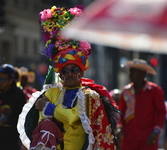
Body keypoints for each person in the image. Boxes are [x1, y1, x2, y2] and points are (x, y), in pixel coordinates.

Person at [17, 5, 120, 150]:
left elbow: (74, 117)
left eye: (74, 69)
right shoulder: (52, 92)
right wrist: (52, 111)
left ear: (81, 73)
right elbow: (44, 121)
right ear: (60, 74)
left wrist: (49, 107)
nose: (69, 73)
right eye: (65, 70)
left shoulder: (89, 96)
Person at [117, 58, 166, 150]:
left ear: (142, 74)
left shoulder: (155, 91)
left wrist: (156, 132)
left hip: (148, 138)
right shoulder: (126, 91)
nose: (130, 75)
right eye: (130, 72)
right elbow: (120, 112)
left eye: (133, 72)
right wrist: (119, 126)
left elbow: (161, 113)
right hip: (129, 138)